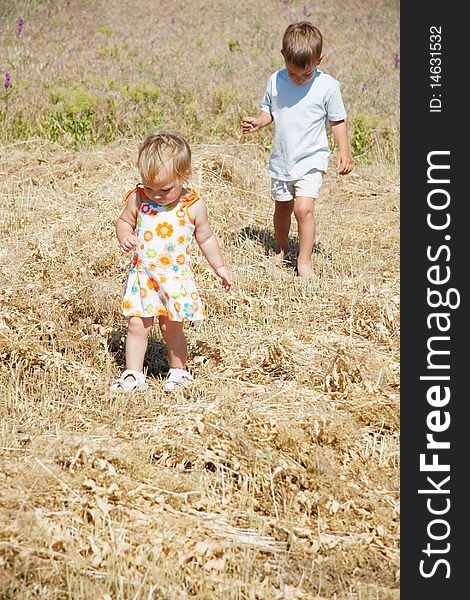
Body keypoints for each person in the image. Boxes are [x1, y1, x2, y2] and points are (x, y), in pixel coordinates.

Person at [110, 132, 232, 392]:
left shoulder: (192, 205)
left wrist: (219, 267)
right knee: (136, 324)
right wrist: (125, 235)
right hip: (143, 277)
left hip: (174, 279)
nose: (156, 195)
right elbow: (124, 221)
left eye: (165, 189)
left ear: (184, 174)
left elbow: (206, 237)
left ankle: (179, 371)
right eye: (149, 187)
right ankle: (133, 373)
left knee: (171, 327)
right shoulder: (139, 198)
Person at [242, 21, 353, 278]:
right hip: (283, 159)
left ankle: (304, 261)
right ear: (283, 56)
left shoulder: (328, 86)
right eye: (294, 73)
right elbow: (269, 109)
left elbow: (337, 120)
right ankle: (280, 250)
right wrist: (259, 121)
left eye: (307, 73)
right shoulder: (276, 80)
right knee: (283, 207)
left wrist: (344, 150)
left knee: (303, 208)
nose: (300, 78)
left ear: (320, 59)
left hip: (312, 158)